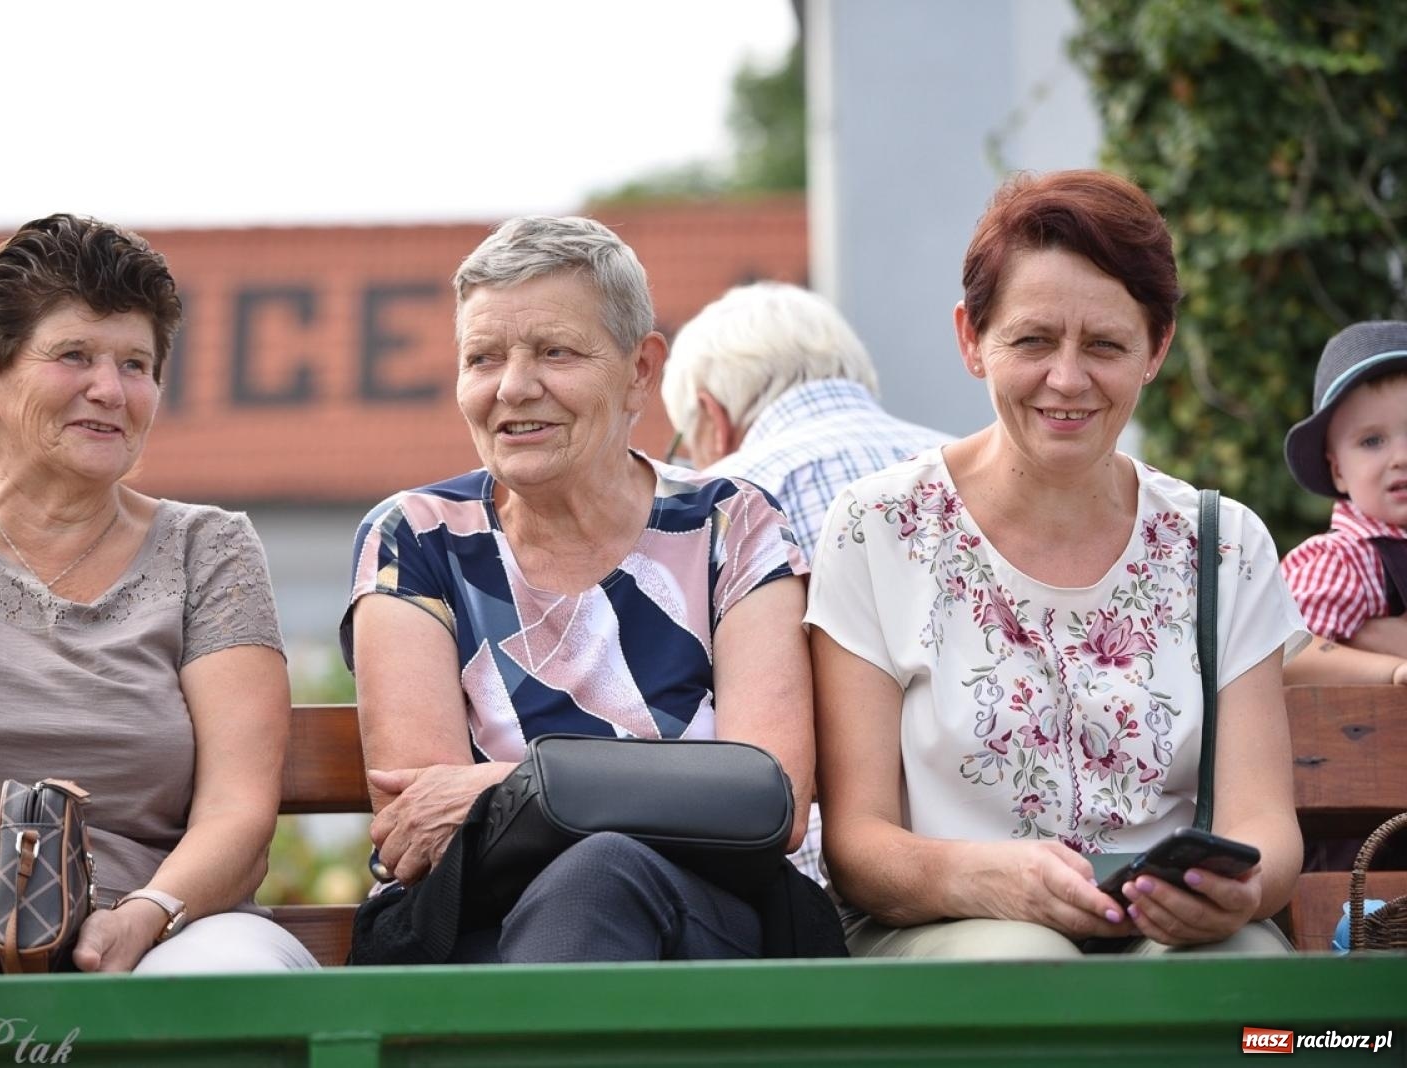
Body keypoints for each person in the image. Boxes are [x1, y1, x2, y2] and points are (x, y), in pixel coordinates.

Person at [807, 171, 1306, 959]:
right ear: (972, 338)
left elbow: (1265, 823)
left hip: (1162, 933)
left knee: (1246, 963)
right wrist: (979, 878)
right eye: (1033, 340)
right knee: (1026, 961)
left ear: (1158, 347)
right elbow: (860, 845)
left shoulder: (1224, 546)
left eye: (1105, 344)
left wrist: (1238, 893)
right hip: (948, 927)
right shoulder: (880, 531)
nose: (1067, 380)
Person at [0, 214, 315, 979]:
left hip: (164, 924)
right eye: (73, 355)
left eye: (136, 365)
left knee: (230, 985)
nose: (109, 390)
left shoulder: (211, 548)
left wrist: (141, 920)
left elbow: (237, 812)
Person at [342, 215, 816, 963]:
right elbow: (421, 832)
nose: (514, 387)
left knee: (601, 874)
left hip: (701, 926)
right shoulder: (418, 537)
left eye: (556, 352)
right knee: (591, 877)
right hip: (474, 925)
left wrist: (509, 790)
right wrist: (654, 793)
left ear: (640, 370)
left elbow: (770, 798)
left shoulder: (732, 523)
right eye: (483, 358)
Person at [661, 280, 951, 883]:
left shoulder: (715, 507)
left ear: (711, 416)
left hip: (812, 887)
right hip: (999, 860)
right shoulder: (971, 468)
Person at [1281, 321, 1407, 686]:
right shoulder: (1346, 559)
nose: (1401, 457)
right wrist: (1393, 669)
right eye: (1372, 441)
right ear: (1338, 472)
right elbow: (1282, 653)